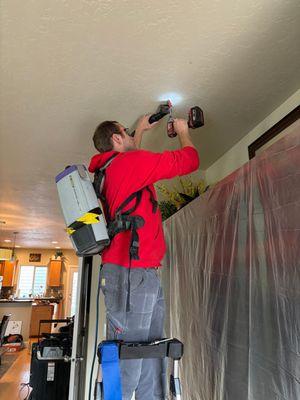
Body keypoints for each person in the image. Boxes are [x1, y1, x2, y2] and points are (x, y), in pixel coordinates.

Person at [88, 115, 199, 400]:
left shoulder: (110, 171)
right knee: (130, 358)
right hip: (131, 272)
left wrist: (138, 130)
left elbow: (130, 152)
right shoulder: (127, 164)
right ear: (116, 138)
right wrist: (184, 132)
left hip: (139, 272)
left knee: (152, 351)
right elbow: (188, 161)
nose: (129, 137)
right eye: (125, 133)